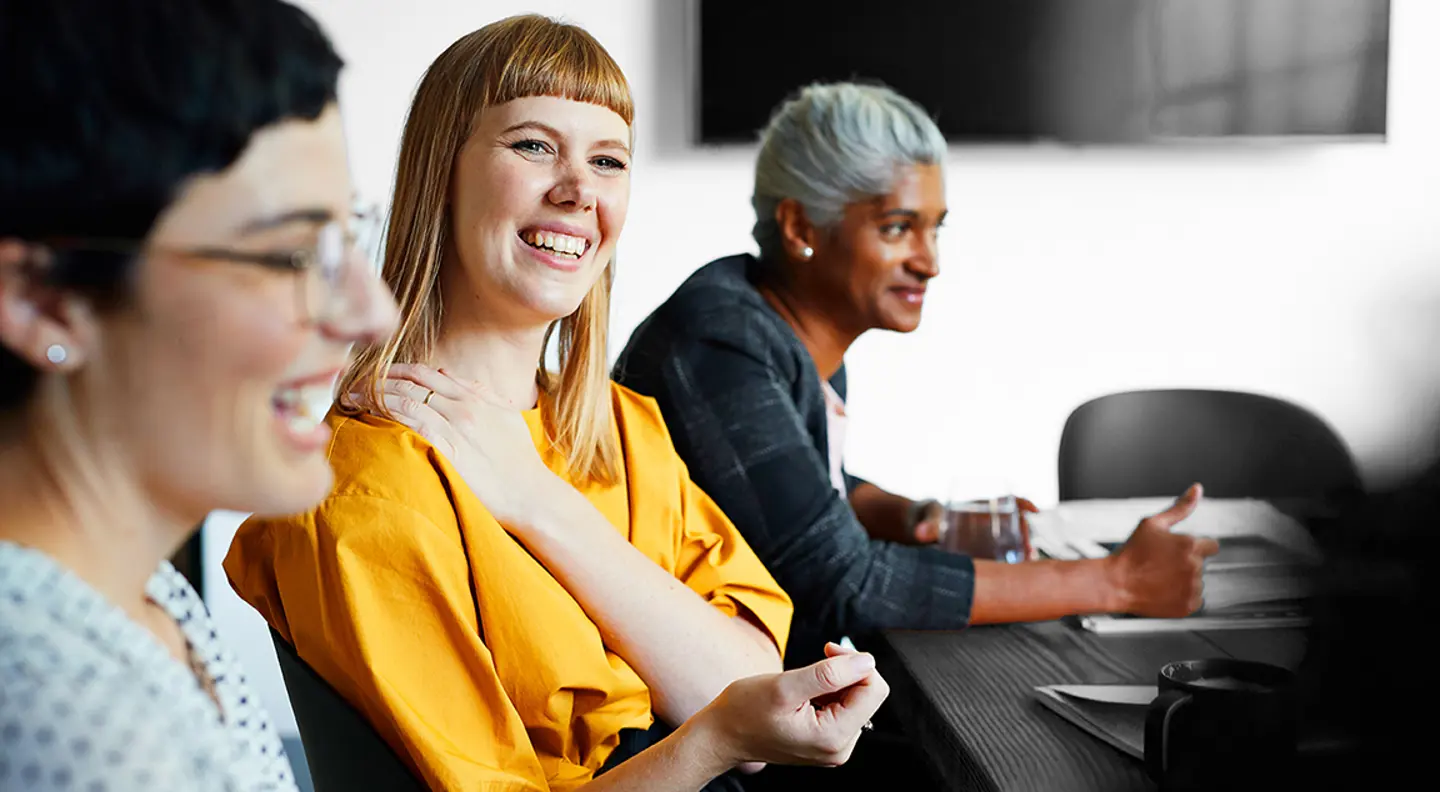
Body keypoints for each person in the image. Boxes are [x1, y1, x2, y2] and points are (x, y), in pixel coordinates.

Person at [224, 17, 887, 792]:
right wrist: (707, 742)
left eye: (607, 161)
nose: (578, 192)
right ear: (443, 170)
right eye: (534, 146)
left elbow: (741, 677)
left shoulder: (623, 428)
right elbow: (732, 724)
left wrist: (536, 501)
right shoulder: (364, 493)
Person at [613, 82, 1219, 670]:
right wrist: (1115, 580)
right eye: (897, 227)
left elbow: (791, 497)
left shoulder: (777, 329)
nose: (930, 261)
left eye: (935, 227)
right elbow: (843, 583)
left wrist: (914, 516)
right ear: (800, 229)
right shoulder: (721, 344)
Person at [0, 0, 400, 789]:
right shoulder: (63, 711)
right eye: (290, 254)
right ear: (44, 300)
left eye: (345, 238)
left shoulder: (148, 595)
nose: (372, 313)